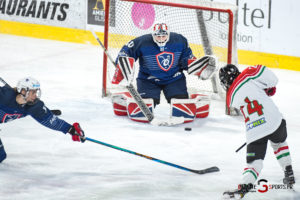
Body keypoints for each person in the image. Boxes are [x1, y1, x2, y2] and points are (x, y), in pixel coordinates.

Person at [111, 23, 216, 123]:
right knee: (143, 109)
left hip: (174, 79)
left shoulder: (179, 40)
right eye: (158, 36)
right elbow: (126, 51)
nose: (161, 38)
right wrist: (123, 63)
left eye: (163, 35)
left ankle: (195, 99)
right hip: (148, 79)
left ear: (168, 34)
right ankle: (125, 100)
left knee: (182, 109)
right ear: (153, 34)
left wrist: (197, 67)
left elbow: (186, 60)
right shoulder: (143, 41)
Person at [219, 64, 295, 199]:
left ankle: (244, 187)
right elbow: (273, 80)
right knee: (279, 143)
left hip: (255, 130)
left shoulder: (231, 99)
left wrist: (263, 89)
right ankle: (288, 170)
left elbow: (247, 94)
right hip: (275, 121)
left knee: (254, 163)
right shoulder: (248, 74)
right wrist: (267, 87)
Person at [0, 77, 85, 163]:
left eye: (36, 92)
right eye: (33, 92)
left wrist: (70, 129)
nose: (35, 95)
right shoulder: (4, 95)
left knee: (1, 156)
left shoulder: (34, 107)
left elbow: (51, 121)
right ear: (23, 91)